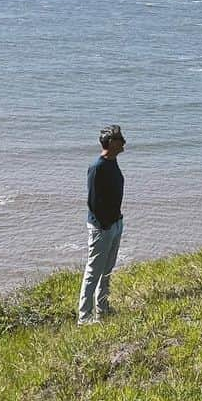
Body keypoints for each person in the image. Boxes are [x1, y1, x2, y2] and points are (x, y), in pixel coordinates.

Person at [79, 124, 126, 325]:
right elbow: (93, 201)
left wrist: (116, 222)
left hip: (115, 223)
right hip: (102, 227)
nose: (124, 142)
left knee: (107, 269)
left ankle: (102, 308)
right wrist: (105, 225)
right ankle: (85, 317)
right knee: (93, 272)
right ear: (111, 143)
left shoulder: (113, 162)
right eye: (120, 139)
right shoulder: (97, 167)